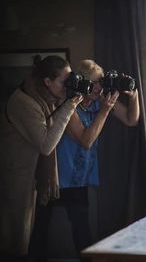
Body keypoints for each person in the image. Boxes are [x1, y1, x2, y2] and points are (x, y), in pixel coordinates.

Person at [29, 59, 140, 260]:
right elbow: (86, 140)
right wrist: (105, 111)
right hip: (55, 178)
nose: (99, 87)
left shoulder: (99, 101)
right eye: (94, 83)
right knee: (40, 231)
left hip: (78, 178)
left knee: (82, 231)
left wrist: (133, 97)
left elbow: (131, 120)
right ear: (82, 82)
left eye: (101, 82)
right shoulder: (69, 106)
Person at [0, 55, 83, 258]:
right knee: (16, 240)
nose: (67, 86)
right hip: (16, 178)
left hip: (33, 176)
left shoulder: (46, 97)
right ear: (47, 81)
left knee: (30, 239)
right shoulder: (24, 102)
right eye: (65, 81)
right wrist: (69, 106)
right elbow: (46, 145)